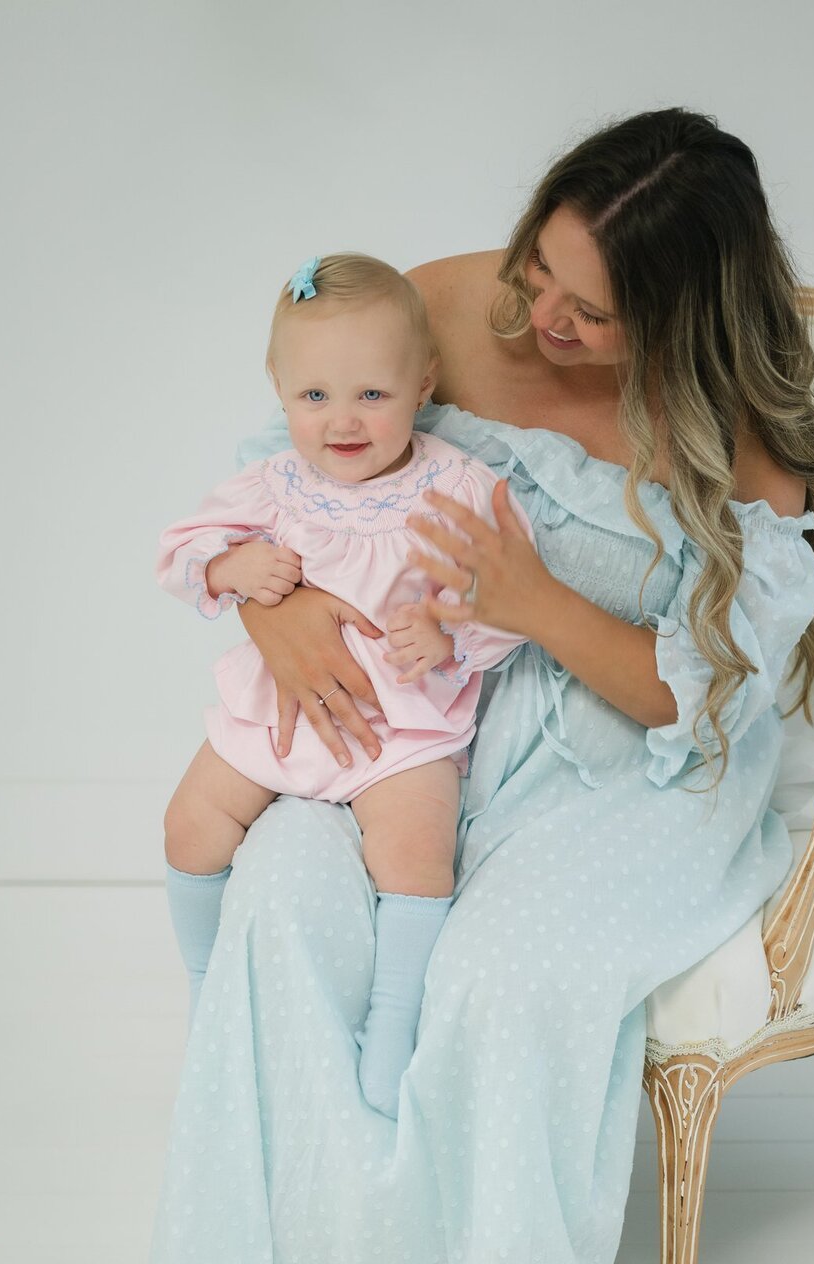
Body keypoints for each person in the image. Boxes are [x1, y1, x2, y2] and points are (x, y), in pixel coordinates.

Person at [133, 107, 814, 1264]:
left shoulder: (749, 444)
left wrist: (534, 604)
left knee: (506, 983)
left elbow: (686, 702)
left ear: (683, 318)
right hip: (434, 712)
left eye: (593, 310)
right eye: (541, 272)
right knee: (279, 903)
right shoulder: (464, 301)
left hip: (635, 758)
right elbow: (303, 462)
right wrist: (280, 619)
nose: (544, 319)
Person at [156, 252, 533, 1116]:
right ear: (279, 390)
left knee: (415, 853)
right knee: (190, 824)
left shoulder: (458, 486)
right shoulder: (271, 486)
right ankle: (207, 982)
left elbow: (514, 602)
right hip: (275, 717)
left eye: (372, 395)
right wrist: (229, 566)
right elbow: (178, 555)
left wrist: (447, 627)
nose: (344, 422)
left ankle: (392, 1021)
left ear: (423, 382)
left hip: (397, 731)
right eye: (315, 397)